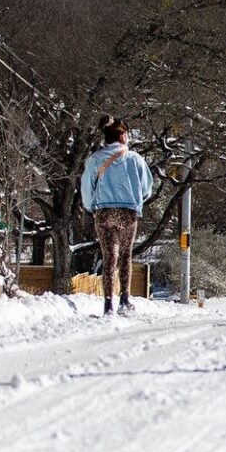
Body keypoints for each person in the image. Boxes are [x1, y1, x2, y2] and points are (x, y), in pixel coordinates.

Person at [79, 114, 154, 315]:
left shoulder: (94, 159)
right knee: (125, 255)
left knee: (109, 256)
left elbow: (86, 189)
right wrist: (136, 198)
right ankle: (124, 299)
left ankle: (108, 304)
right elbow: (147, 188)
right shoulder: (135, 159)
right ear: (122, 137)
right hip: (127, 212)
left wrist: (90, 207)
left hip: (103, 212)